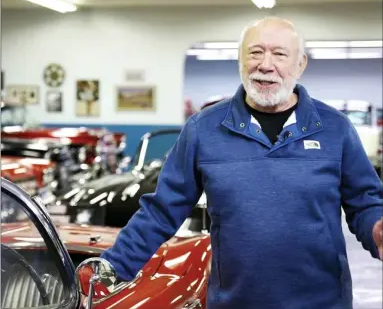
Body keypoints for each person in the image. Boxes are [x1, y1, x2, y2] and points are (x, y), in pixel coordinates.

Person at [99, 17, 383, 309]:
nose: (266, 64)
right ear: (240, 60)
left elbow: (365, 201)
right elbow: (161, 212)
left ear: (301, 65)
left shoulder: (336, 128)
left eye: (280, 54)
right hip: (236, 301)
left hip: (322, 302)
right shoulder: (203, 129)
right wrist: (111, 268)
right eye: (255, 52)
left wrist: (376, 229)